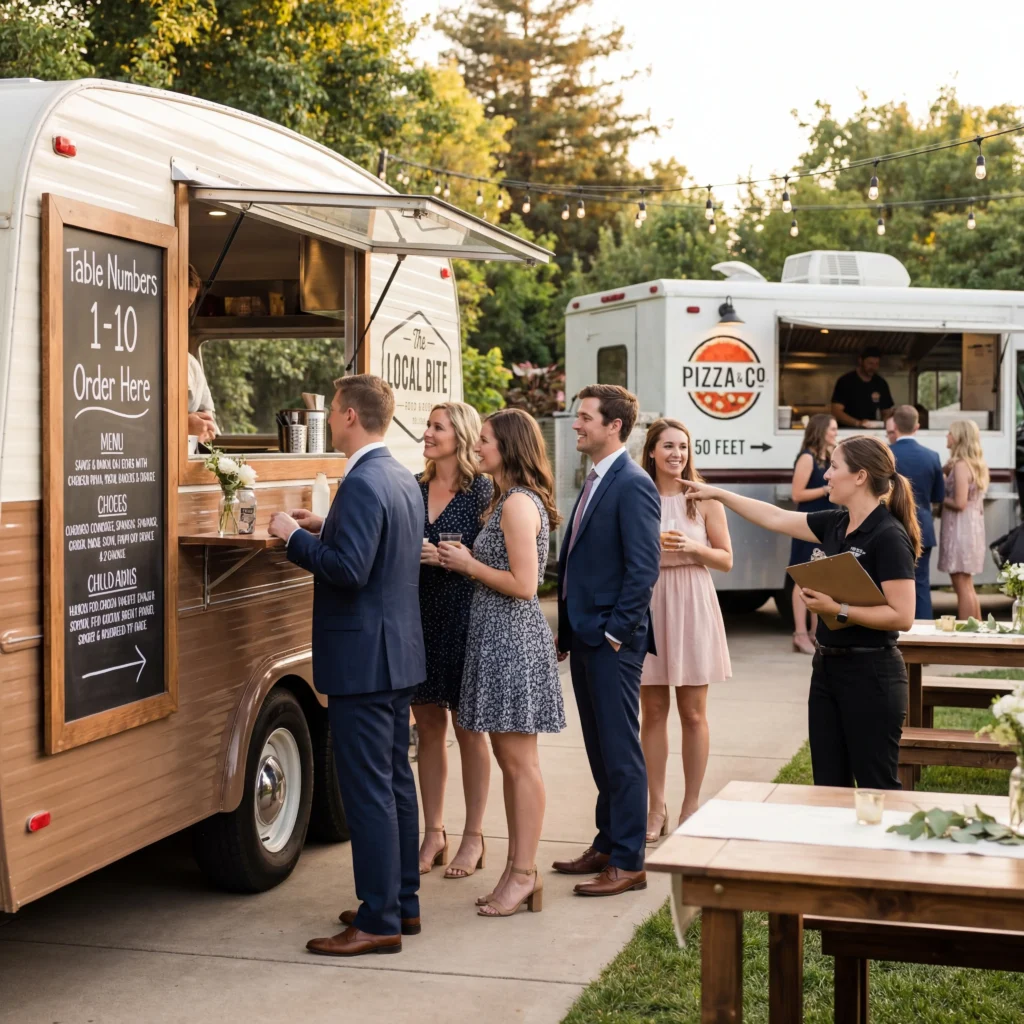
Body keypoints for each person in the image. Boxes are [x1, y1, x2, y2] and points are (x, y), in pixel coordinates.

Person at [268, 374, 426, 957]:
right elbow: (377, 551)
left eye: (333, 410)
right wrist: (326, 527)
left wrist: (293, 537)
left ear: (351, 416)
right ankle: (402, 903)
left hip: (364, 660)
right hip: (396, 654)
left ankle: (378, 919)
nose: (330, 419)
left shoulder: (361, 481)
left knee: (368, 792)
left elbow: (350, 570)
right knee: (395, 782)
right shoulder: (400, 475)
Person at [681, 436, 919, 789]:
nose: (826, 475)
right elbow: (776, 517)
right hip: (827, 669)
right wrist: (719, 494)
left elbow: (902, 616)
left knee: (876, 787)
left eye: (834, 467)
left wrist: (838, 609)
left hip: (872, 674)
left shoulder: (888, 536)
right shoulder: (837, 523)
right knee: (828, 786)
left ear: (860, 477)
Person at [437, 408, 565, 918]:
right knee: (512, 763)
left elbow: (526, 585)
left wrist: (468, 564)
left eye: (485, 440)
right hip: (495, 637)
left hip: (511, 640)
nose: (477, 446)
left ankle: (524, 874)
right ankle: (516, 871)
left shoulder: (516, 504)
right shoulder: (504, 499)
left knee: (519, 764)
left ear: (508, 447)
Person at [553, 384, 661, 897]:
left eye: (585, 417)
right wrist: (568, 631)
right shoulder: (596, 476)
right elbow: (579, 560)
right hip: (585, 636)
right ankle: (607, 842)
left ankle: (629, 861)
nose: (576, 425)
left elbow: (643, 568)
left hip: (612, 641)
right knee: (600, 749)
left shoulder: (633, 483)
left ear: (614, 425)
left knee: (620, 752)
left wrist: (617, 632)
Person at [639, 418, 732, 843]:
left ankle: (691, 804)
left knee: (693, 713)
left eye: (683, 446)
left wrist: (693, 548)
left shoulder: (704, 499)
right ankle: (655, 806)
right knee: (653, 711)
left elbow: (726, 560)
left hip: (693, 600)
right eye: (668, 446)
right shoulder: (638, 495)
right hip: (650, 600)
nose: (677, 454)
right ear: (652, 451)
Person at [412, 403, 493, 879]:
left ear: (459, 435)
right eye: (427, 425)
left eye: (436, 427)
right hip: (419, 617)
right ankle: (434, 833)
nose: (427, 433)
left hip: (465, 618)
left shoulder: (483, 490)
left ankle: (474, 836)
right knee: (427, 728)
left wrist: (451, 558)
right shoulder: (414, 487)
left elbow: (497, 557)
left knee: (468, 729)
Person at [887, 405, 945, 620]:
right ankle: (924, 630)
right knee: (921, 584)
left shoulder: (886, 454)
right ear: (917, 427)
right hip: (923, 527)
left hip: (890, 526)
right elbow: (938, 496)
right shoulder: (932, 456)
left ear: (894, 425)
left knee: (887, 582)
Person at [789, 414, 838, 655]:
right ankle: (800, 633)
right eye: (833, 429)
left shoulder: (827, 458)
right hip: (807, 524)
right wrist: (825, 489)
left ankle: (815, 632)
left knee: (821, 578)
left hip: (825, 525)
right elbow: (797, 494)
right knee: (803, 578)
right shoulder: (807, 457)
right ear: (820, 430)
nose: (836, 433)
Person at [938, 419, 989, 621]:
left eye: (950, 433)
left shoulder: (961, 466)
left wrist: (937, 497)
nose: (947, 436)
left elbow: (959, 502)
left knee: (961, 584)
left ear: (959, 437)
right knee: (967, 584)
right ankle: (977, 627)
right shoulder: (972, 464)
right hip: (971, 527)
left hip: (960, 529)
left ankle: (966, 628)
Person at [186, 265, 218, 446]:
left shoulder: (191, 364)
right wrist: (184, 424)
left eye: (189, 303)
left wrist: (204, 429)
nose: (183, 308)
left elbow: (207, 412)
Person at [830, 347, 894, 428]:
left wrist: (884, 424)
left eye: (876, 364)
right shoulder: (845, 381)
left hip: (871, 431)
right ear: (860, 361)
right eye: (870, 363)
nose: (873, 367)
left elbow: (886, 412)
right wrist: (858, 423)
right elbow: (836, 411)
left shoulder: (881, 383)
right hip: (846, 430)